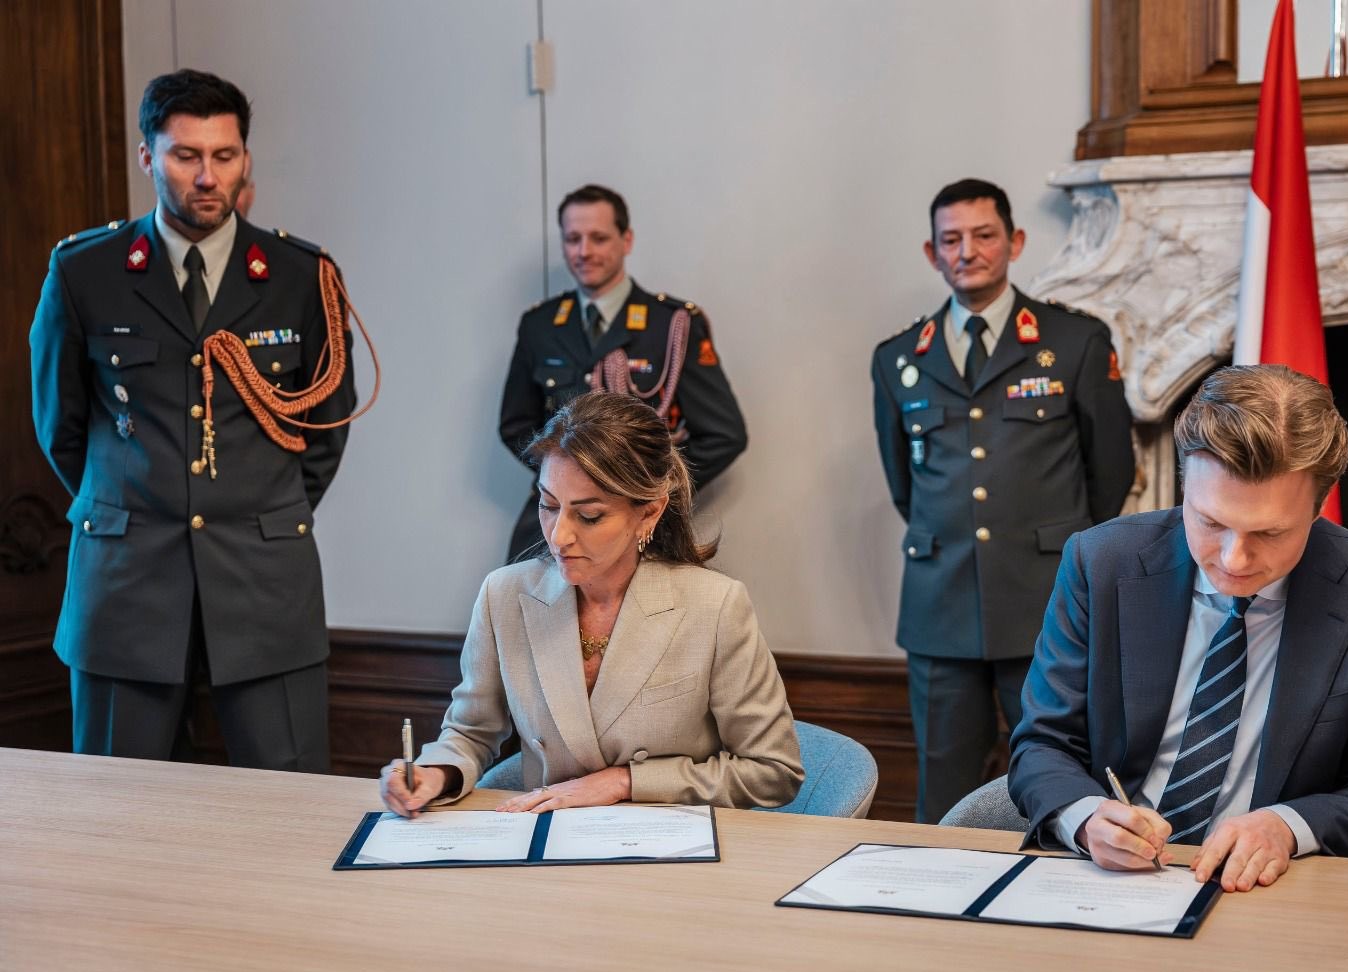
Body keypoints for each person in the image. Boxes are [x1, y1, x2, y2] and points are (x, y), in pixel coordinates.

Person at [29, 69, 356, 771]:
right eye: (186, 155)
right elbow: (62, 429)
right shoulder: (85, 271)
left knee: (289, 806)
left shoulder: (301, 275)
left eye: (224, 155)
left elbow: (325, 429)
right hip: (126, 585)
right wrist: (134, 504)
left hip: (264, 581)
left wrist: (259, 509)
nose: (208, 176)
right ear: (147, 157)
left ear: (245, 158)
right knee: (121, 808)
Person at [1009, 365, 1348, 892]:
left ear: (1318, 508)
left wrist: (1286, 827)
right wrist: (1087, 818)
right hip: (1114, 879)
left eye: (1270, 533)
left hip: (1275, 886)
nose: (1234, 559)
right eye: (1211, 522)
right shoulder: (1101, 562)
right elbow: (1042, 744)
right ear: (1184, 486)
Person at [380, 392, 802, 815]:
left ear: (649, 512)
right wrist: (434, 773)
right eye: (548, 505)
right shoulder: (504, 594)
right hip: (545, 838)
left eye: (589, 516)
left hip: (666, 842)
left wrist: (625, 781)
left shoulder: (716, 605)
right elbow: (470, 732)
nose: (558, 536)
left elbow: (773, 771)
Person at [870, 178, 1135, 823]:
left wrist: (1066, 553)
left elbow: (1111, 471)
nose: (967, 251)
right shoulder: (898, 358)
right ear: (932, 253)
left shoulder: (1074, 342)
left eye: (983, 235)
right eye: (951, 240)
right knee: (942, 787)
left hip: (1045, 600)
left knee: (1062, 777)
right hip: (940, 606)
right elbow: (905, 483)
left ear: (1014, 242)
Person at [500, 184, 748, 562]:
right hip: (555, 518)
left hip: (636, 522)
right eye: (573, 239)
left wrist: (642, 488)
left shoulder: (671, 325)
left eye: (598, 238)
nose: (584, 251)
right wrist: (567, 478)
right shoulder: (540, 326)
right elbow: (516, 424)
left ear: (626, 240)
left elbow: (724, 435)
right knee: (515, 590)